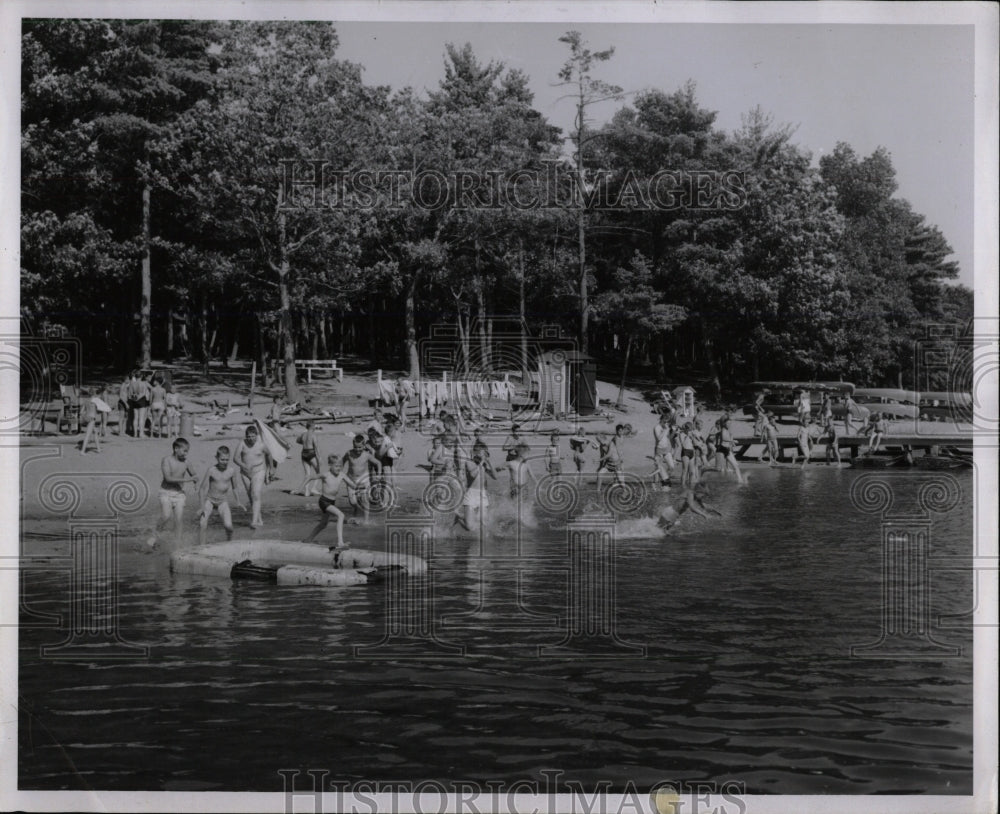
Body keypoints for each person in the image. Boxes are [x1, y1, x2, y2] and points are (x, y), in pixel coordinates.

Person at [302, 454, 355, 548]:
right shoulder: (325, 475)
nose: (338, 468)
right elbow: (310, 477)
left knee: (323, 524)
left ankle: (308, 539)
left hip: (331, 502)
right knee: (341, 515)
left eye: (340, 466)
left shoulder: (342, 475)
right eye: (336, 466)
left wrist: (361, 487)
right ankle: (340, 542)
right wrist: (300, 488)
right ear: (330, 465)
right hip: (324, 501)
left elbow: (352, 485)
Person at [154, 437, 198, 546]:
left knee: (178, 520)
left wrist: (196, 482)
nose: (186, 454)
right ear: (176, 449)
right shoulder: (166, 460)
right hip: (165, 492)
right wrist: (187, 480)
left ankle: (177, 545)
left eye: (187, 451)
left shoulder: (187, 462)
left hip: (179, 494)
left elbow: (194, 475)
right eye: (184, 451)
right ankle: (154, 535)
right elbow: (168, 478)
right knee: (166, 516)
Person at [196, 445, 243, 545]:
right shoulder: (211, 470)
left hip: (222, 501)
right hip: (210, 500)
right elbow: (202, 489)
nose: (225, 462)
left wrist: (238, 501)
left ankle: (229, 542)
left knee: (228, 526)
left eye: (227, 460)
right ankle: (201, 546)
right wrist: (201, 506)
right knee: (202, 524)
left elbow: (235, 487)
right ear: (216, 458)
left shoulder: (231, 471)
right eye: (222, 459)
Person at [233, 424, 271, 528]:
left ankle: (254, 522)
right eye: (249, 436)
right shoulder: (242, 443)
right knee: (251, 497)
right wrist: (243, 465)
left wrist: (270, 470)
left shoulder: (261, 445)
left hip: (259, 471)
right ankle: (259, 520)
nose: (250, 438)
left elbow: (269, 455)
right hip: (245, 473)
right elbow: (235, 458)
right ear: (246, 436)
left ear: (256, 435)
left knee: (256, 494)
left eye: (253, 436)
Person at [454, 448, 497, 532]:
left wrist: (489, 463)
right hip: (471, 494)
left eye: (485, 455)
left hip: (482, 494)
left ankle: (481, 540)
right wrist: (481, 463)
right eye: (481, 454)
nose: (483, 456)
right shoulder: (469, 463)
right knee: (469, 527)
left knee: (484, 524)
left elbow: (495, 477)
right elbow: (473, 475)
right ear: (475, 454)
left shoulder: (484, 466)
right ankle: (458, 519)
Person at [342, 434, 382, 523]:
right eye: (355, 447)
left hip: (364, 480)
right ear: (353, 446)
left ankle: (366, 520)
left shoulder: (366, 455)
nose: (358, 450)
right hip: (351, 480)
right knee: (352, 502)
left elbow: (378, 463)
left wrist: (378, 475)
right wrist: (340, 473)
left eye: (360, 447)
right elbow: (342, 461)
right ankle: (356, 509)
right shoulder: (349, 453)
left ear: (364, 446)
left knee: (365, 500)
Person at [657, 483, 721, 532]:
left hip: (674, 515)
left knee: (663, 532)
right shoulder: (690, 493)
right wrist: (704, 515)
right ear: (698, 492)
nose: (703, 497)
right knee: (658, 530)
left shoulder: (696, 497)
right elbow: (692, 508)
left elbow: (704, 506)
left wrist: (714, 511)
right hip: (670, 513)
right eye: (703, 495)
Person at [292, 420, 321, 496]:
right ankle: (314, 488)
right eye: (314, 426)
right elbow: (316, 448)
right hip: (311, 453)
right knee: (318, 472)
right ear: (313, 427)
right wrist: (319, 458)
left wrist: (304, 443)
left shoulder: (303, 434)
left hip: (304, 453)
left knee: (307, 474)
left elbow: (297, 441)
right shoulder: (314, 435)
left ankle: (306, 492)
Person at [716, 415, 745, 484]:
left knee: (736, 465)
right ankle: (704, 469)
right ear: (724, 423)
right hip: (721, 450)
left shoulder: (727, 430)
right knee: (718, 469)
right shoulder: (723, 429)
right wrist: (732, 441)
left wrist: (732, 442)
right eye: (728, 423)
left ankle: (740, 480)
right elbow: (724, 438)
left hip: (727, 450)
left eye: (730, 423)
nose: (729, 425)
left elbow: (725, 437)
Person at [652, 413, 676, 484]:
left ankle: (664, 479)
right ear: (661, 419)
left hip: (666, 449)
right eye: (665, 422)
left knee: (672, 466)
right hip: (659, 449)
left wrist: (674, 431)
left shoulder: (666, 428)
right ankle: (655, 483)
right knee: (657, 468)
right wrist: (665, 430)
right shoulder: (657, 427)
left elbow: (669, 438)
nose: (666, 423)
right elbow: (658, 438)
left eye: (667, 422)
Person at [79, 389, 101, 455]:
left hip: (88, 418)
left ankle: (98, 449)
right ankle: (82, 451)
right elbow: (98, 410)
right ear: (94, 394)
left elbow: (81, 412)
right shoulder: (95, 401)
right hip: (92, 418)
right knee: (88, 435)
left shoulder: (86, 401)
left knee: (95, 433)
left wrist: (85, 417)